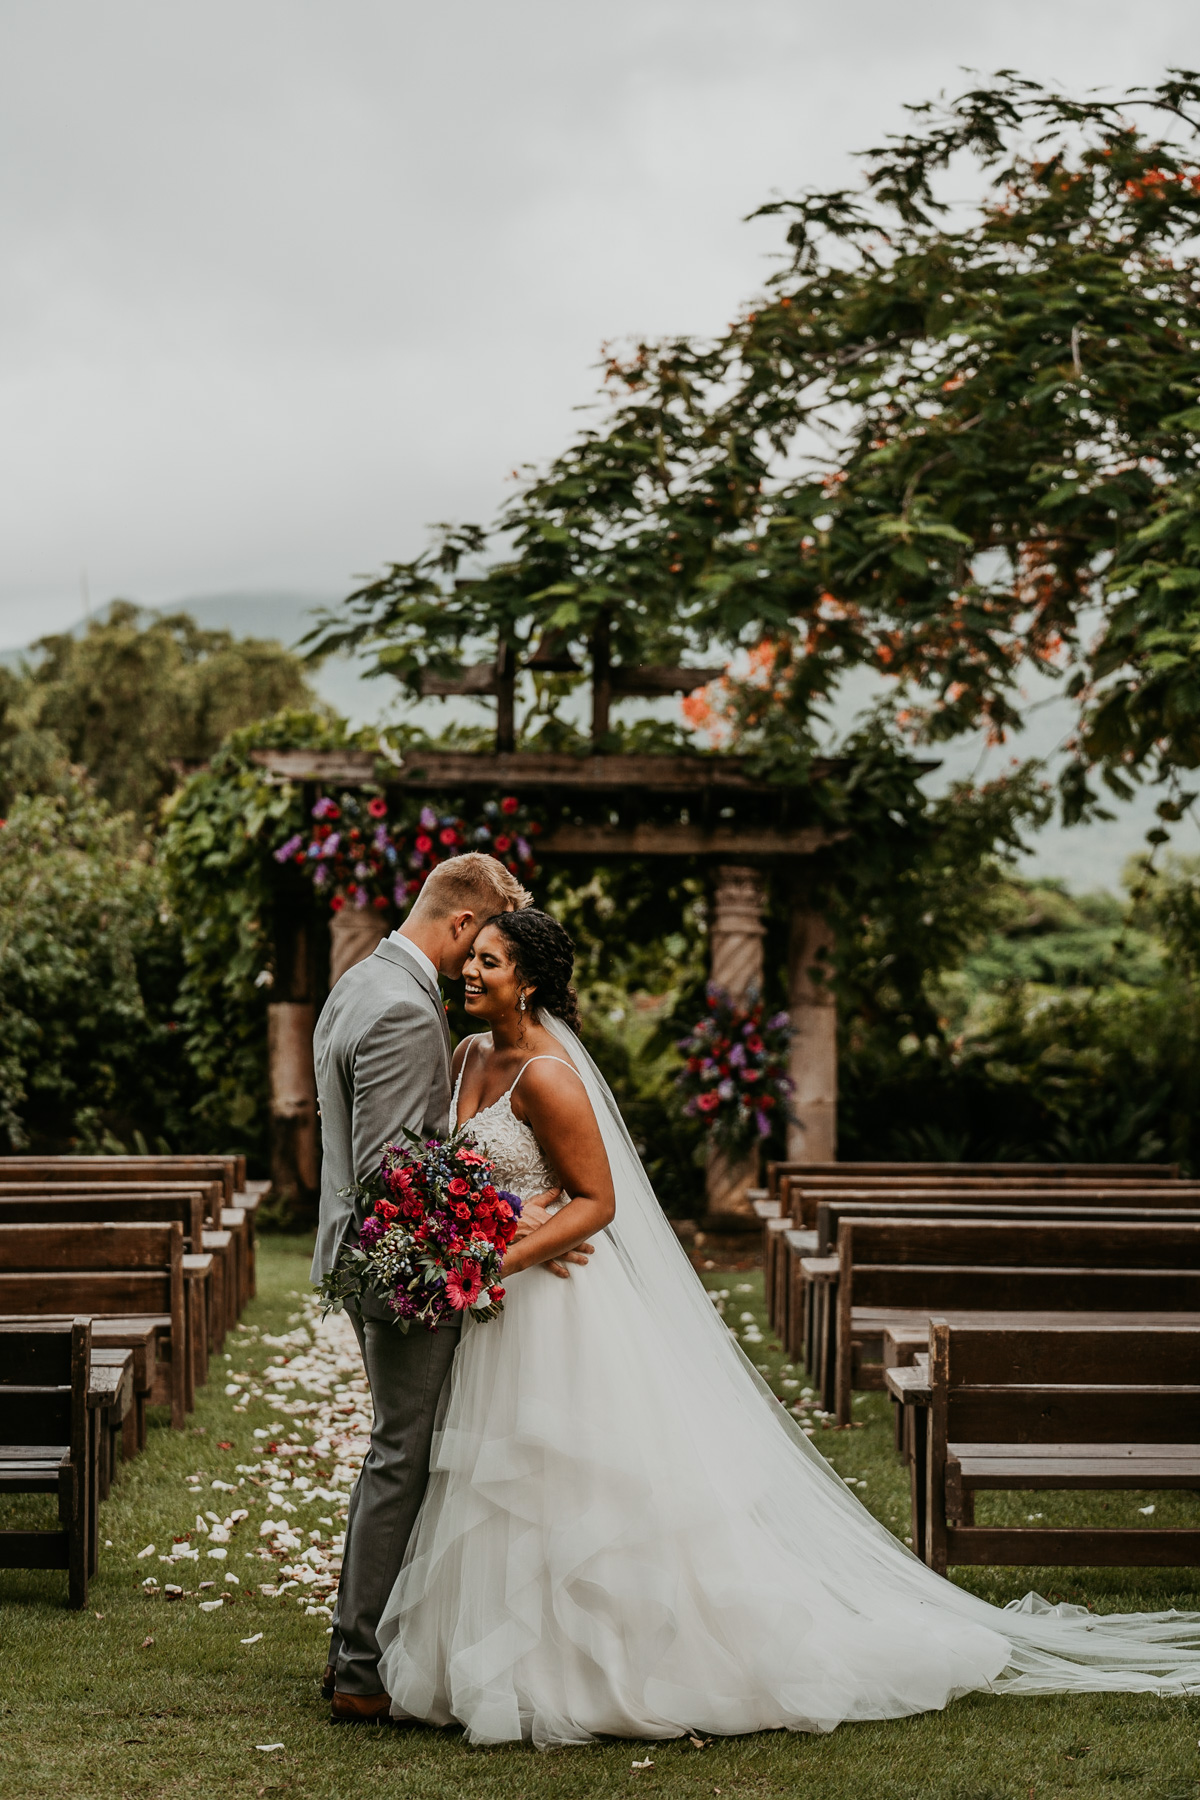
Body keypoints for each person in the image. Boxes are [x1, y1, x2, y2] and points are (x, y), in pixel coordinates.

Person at [374, 907, 1200, 1747]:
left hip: (555, 1311)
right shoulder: (469, 1052)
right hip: (504, 1308)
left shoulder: (549, 1077)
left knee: (574, 1482)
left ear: (532, 980)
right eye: (470, 959)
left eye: (490, 961)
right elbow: (471, 1178)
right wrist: (495, 1222)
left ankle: (607, 1670)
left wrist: (492, 1262)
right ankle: (502, 1665)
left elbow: (599, 1203)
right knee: (497, 1482)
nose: (470, 972)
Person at [311, 856, 592, 1721]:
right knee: (403, 1457)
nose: (473, 970)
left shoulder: (359, 981)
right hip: (405, 1273)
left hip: (368, 1259)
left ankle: (369, 1648)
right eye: (482, 947)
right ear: (469, 925)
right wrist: (510, 1217)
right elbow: (400, 1178)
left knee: (404, 1452)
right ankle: (359, 1669)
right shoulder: (404, 1010)